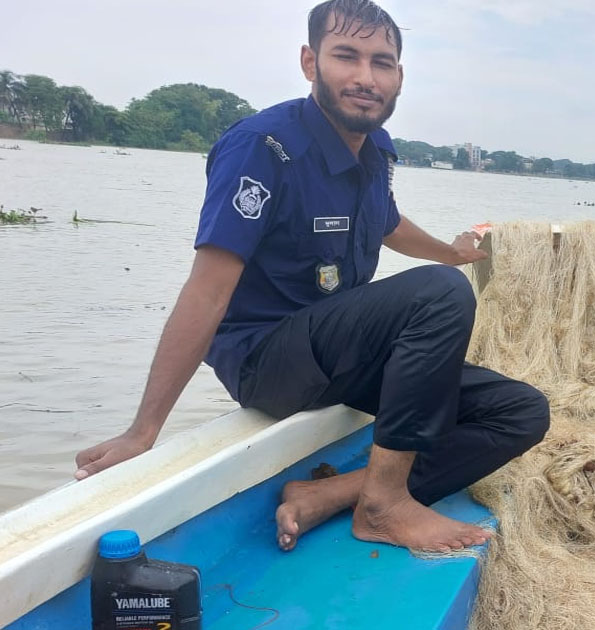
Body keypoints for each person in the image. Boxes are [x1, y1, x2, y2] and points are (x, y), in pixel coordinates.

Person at [73, 0, 549, 554]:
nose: (365, 77)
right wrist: (143, 431)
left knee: (520, 411)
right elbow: (207, 291)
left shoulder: (376, 150)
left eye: (382, 62)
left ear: (399, 77)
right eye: (346, 56)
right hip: (268, 361)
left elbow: (387, 222)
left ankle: (331, 494)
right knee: (439, 296)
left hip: (336, 355)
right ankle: (382, 507)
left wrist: (451, 253)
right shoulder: (263, 147)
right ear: (309, 62)